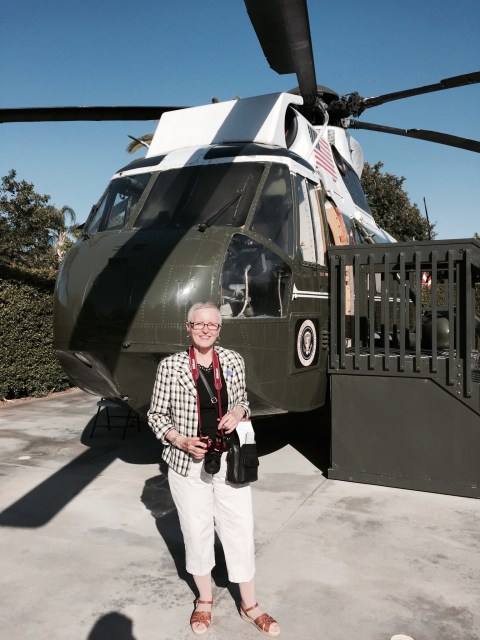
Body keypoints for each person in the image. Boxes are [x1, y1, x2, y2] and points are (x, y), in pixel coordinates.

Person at [148, 301, 280, 636]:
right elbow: (156, 415)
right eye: (199, 323)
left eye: (212, 324)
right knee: (197, 531)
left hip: (229, 460)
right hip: (188, 464)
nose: (205, 329)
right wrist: (180, 440)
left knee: (239, 529)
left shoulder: (233, 360)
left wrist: (238, 412)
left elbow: (243, 401)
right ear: (188, 327)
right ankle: (204, 601)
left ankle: (250, 605)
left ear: (219, 330)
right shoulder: (170, 366)